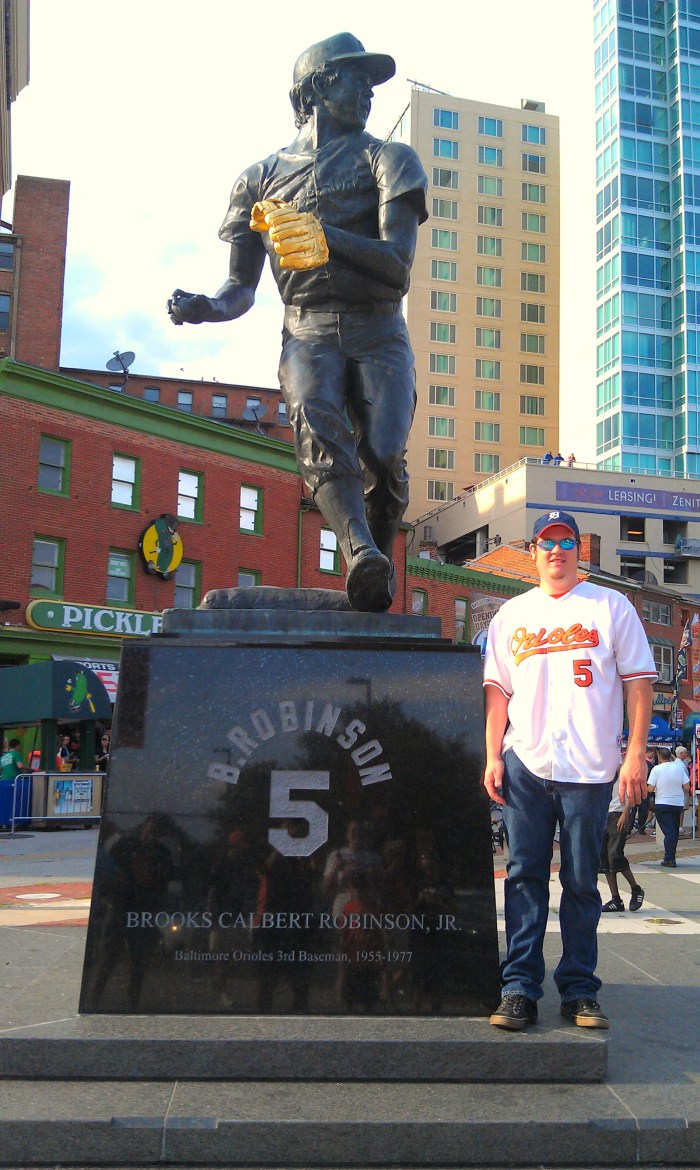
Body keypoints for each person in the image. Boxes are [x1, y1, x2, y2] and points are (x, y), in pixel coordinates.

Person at [167, 33, 428, 613]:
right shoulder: (257, 179)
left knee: (383, 455)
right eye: (355, 79)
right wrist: (206, 306)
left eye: (370, 83)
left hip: (378, 327)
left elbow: (398, 269)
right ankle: (361, 552)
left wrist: (325, 238)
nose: (368, 93)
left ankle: (374, 572)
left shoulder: (389, 159)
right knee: (316, 420)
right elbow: (240, 288)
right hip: (308, 329)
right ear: (317, 86)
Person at [483, 509, 655, 1031]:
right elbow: (498, 691)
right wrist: (492, 754)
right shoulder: (511, 614)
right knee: (523, 877)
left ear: (579, 551)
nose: (556, 550)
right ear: (533, 551)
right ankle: (519, 987)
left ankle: (579, 989)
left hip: (589, 764)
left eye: (566, 541)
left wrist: (635, 754)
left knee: (582, 881)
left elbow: (639, 682)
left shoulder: (611, 606)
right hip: (527, 762)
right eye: (546, 541)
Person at [599, 785, 644, 913]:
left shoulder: (623, 769)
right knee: (605, 859)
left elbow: (632, 793)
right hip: (603, 814)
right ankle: (616, 899)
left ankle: (636, 888)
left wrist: (626, 813)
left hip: (618, 814)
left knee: (615, 855)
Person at [647, 746, 690, 867]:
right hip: (677, 803)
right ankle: (671, 855)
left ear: (660, 757)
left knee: (669, 831)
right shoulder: (679, 768)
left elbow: (650, 788)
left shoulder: (656, 769)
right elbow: (686, 787)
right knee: (674, 831)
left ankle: (669, 858)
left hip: (662, 802)